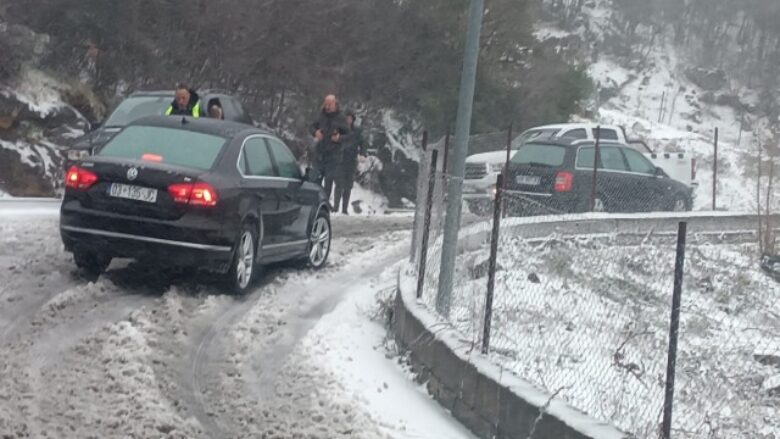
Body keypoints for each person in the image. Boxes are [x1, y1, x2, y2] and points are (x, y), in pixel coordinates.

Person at [310, 94, 348, 203]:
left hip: (333, 155)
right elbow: (311, 126)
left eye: (330, 104)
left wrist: (339, 138)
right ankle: (314, 202)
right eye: (326, 104)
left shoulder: (341, 118)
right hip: (319, 153)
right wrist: (315, 132)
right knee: (315, 179)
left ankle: (324, 203)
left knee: (328, 180)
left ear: (335, 104)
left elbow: (349, 136)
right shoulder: (321, 115)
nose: (327, 107)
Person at [333, 110, 367, 214]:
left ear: (353, 119)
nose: (348, 120)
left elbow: (363, 143)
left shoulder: (357, 131)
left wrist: (362, 154)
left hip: (351, 160)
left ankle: (344, 209)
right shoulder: (339, 129)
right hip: (340, 160)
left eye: (350, 118)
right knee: (339, 185)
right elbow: (333, 140)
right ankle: (335, 207)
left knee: (348, 186)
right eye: (347, 118)